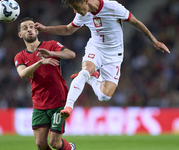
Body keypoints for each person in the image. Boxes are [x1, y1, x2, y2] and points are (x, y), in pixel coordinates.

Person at [34, 0, 170, 119]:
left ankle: (92, 78)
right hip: (96, 48)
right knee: (86, 70)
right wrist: (45, 28)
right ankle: (68, 107)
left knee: (104, 96)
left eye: (75, 6)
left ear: (85, 1)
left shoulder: (112, 7)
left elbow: (136, 22)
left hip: (114, 54)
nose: (75, 10)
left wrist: (154, 41)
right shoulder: (82, 13)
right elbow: (68, 29)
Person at [14, 17, 76, 150]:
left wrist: (51, 53)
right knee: (40, 144)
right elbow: (22, 74)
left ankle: (70, 148)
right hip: (39, 103)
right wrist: (40, 62)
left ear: (36, 31)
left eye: (31, 27)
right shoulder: (20, 56)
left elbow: (71, 54)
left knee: (54, 143)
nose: (29, 29)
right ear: (20, 35)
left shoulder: (51, 45)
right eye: (25, 28)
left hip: (57, 100)